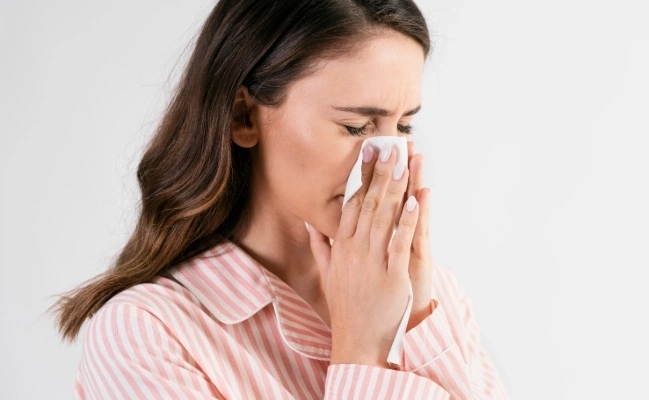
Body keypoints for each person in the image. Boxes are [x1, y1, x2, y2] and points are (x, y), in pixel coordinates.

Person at [53, 1, 508, 398]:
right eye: (356, 127)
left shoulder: (437, 295)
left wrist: (419, 320)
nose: (391, 163)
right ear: (242, 117)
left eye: (404, 127)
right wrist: (363, 351)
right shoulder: (148, 334)